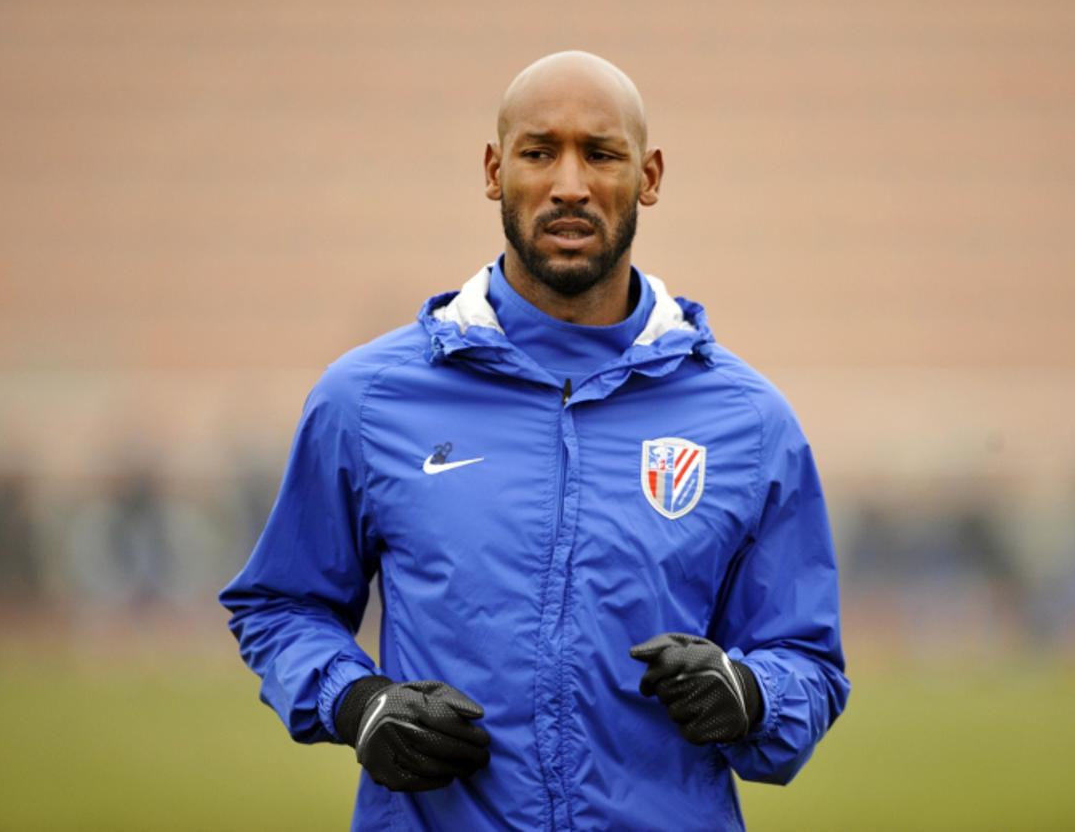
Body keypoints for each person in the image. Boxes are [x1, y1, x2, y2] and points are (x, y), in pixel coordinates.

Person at [220, 50, 849, 831]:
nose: (570, 186)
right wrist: (358, 702)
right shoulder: (368, 399)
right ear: (494, 170)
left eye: (602, 154)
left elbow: (808, 660)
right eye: (540, 151)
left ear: (649, 177)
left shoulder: (750, 423)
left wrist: (751, 692)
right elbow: (282, 602)